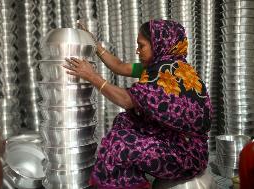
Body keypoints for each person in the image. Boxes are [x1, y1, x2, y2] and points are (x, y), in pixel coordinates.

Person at [64, 19, 212, 189]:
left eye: (141, 46)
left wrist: (92, 76)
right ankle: (129, 181)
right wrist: (95, 45)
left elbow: (127, 100)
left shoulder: (170, 74)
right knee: (124, 121)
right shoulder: (157, 67)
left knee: (122, 144)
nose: (137, 51)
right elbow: (119, 66)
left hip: (186, 155)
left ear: (158, 45)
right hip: (173, 139)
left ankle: (125, 182)